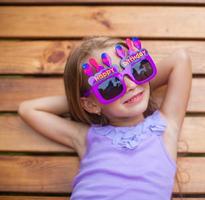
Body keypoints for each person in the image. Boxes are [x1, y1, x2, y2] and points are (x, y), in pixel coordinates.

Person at [18, 36, 192, 200]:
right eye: (110, 84)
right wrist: (85, 101)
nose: (130, 85)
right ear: (91, 105)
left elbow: (180, 59)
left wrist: (138, 83)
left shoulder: (166, 126)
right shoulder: (86, 137)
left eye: (136, 69)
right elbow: (28, 109)